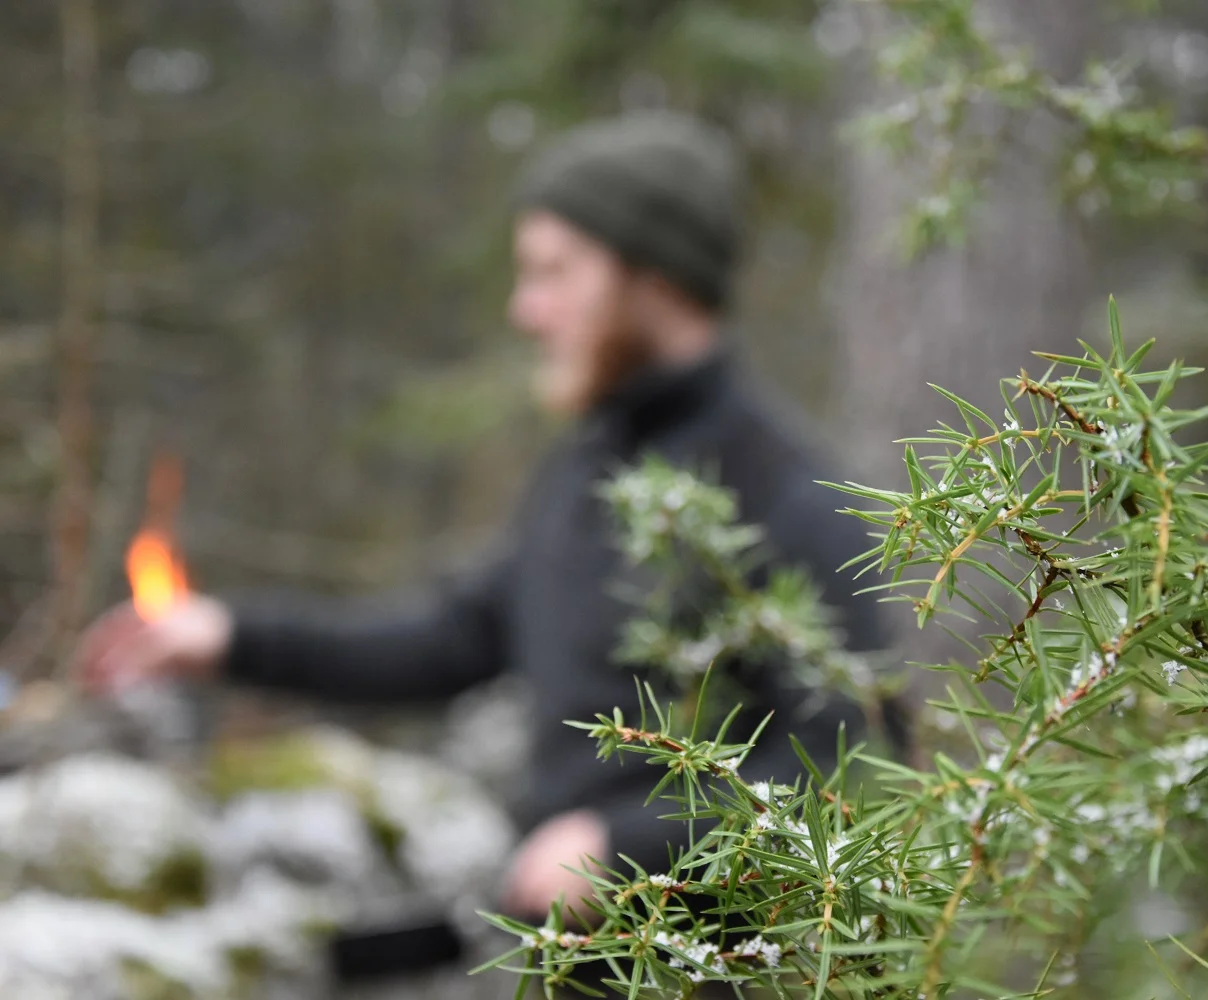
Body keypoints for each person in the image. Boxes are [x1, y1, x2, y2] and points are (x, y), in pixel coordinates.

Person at [74, 111, 893, 926]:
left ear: (658, 278)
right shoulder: (585, 469)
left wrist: (626, 843)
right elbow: (447, 640)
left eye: (554, 272)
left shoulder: (787, 492)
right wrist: (229, 636)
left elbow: (849, 770)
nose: (526, 310)